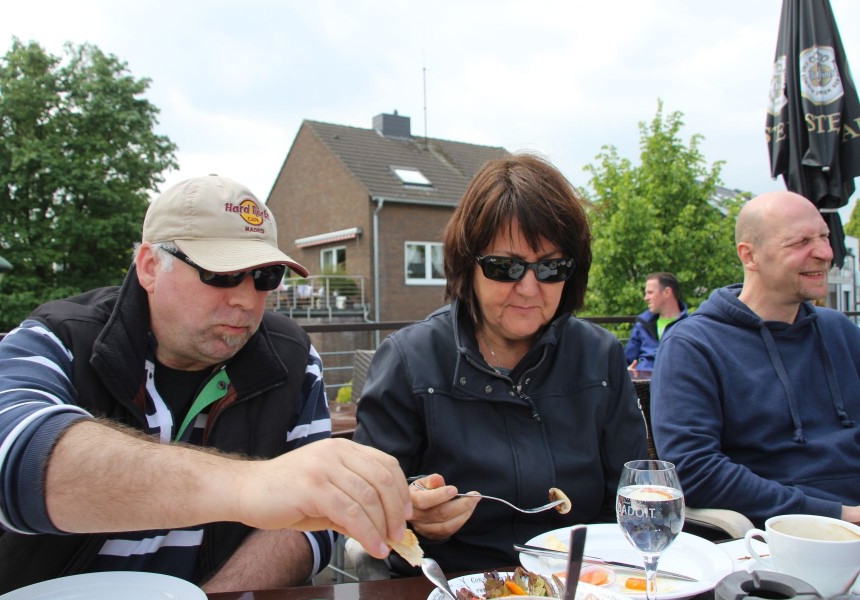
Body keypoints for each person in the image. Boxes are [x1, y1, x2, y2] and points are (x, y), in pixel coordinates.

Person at [0, 175, 411, 594]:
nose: (246, 298)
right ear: (149, 267)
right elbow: (1, 458)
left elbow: (314, 529)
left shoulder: (292, 358)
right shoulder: (60, 339)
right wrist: (251, 486)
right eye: (220, 273)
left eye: (265, 276)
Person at [353, 153, 649, 575]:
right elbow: (365, 510)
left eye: (551, 267)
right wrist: (415, 516)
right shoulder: (409, 360)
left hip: (584, 581)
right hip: (453, 584)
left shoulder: (599, 356)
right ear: (467, 265)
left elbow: (627, 498)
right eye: (505, 267)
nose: (528, 287)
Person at [652, 191, 860, 526]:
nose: (825, 252)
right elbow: (695, 471)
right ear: (749, 255)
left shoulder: (840, 331)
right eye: (801, 241)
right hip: (778, 537)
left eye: (824, 236)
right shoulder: (694, 345)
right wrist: (838, 515)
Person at [624, 272, 688, 372]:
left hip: (676, 379)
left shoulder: (689, 326)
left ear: (667, 292)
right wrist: (626, 371)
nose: (646, 298)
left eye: (650, 293)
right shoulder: (642, 324)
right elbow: (626, 361)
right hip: (643, 380)